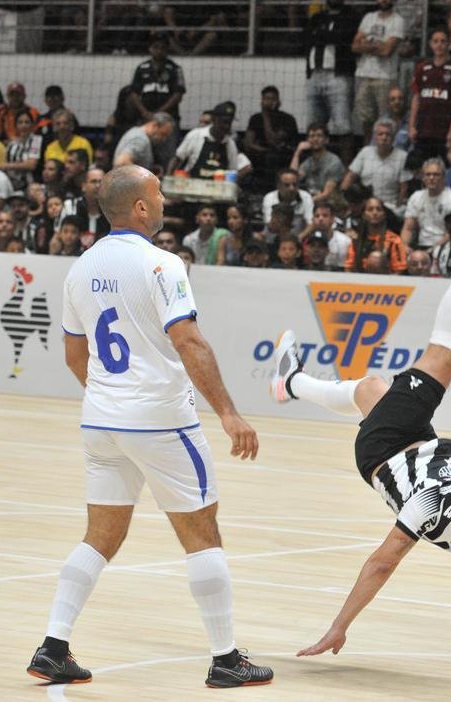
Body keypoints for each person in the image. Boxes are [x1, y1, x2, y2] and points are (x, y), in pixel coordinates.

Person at [268, 212, 451, 677]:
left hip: (390, 449)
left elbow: (383, 563)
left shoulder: (433, 500)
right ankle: (292, 383)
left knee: (445, 352)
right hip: (412, 449)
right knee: (371, 389)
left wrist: (338, 627)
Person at [27, 165, 271, 688]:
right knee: (202, 536)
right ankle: (226, 659)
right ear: (139, 207)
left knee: (99, 537)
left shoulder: (80, 268)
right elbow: (190, 342)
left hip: (100, 422)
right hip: (160, 421)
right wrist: (228, 412)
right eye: (158, 192)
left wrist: (111, 400)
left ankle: (53, 645)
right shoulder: (163, 264)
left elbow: (76, 355)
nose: (163, 200)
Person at [303, 0, 359, 149]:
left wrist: (321, 35)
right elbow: (305, 38)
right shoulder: (317, 17)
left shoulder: (351, 17)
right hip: (314, 74)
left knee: (342, 125)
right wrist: (329, 35)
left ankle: (346, 168)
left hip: (338, 75)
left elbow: (343, 39)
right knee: (314, 126)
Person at [408, 28, 451, 167]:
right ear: (430, 44)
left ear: (449, 43)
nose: (439, 45)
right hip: (424, 130)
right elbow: (416, 97)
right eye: (435, 41)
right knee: (421, 169)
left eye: (443, 41)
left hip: (446, 131)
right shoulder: (422, 67)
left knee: (449, 169)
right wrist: (412, 126)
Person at [352, 0, 407, 141]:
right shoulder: (368, 17)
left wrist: (367, 45)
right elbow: (355, 46)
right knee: (366, 121)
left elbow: (387, 51)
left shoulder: (398, 20)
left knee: (386, 120)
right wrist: (376, 45)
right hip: (363, 74)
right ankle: (368, 152)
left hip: (385, 76)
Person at [401, 158, 451, 250]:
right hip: (421, 246)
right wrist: (404, 247)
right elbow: (408, 228)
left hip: (447, 247)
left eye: (436, 175)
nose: (431, 178)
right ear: (423, 177)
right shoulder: (416, 197)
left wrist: (433, 250)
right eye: (428, 174)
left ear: (444, 177)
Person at [346, 121, 410, 215]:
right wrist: (345, 201)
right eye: (380, 134)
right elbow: (349, 177)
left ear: (393, 138)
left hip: (389, 207)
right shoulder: (365, 152)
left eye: (388, 134)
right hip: (364, 206)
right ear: (375, 136)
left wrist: (397, 209)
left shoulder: (403, 157)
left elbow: (404, 188)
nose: (384, 137)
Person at [290, 123, 345, 199]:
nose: (315, 139)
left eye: (319, 136)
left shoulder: (334, 162)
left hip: (327, 203)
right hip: (311, 198)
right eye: (312, 136)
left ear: (326, 140)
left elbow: (327, 194)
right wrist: (297, 153)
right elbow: (292, 179)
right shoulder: (308, 162)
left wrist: (307, 203)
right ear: (307, 140)